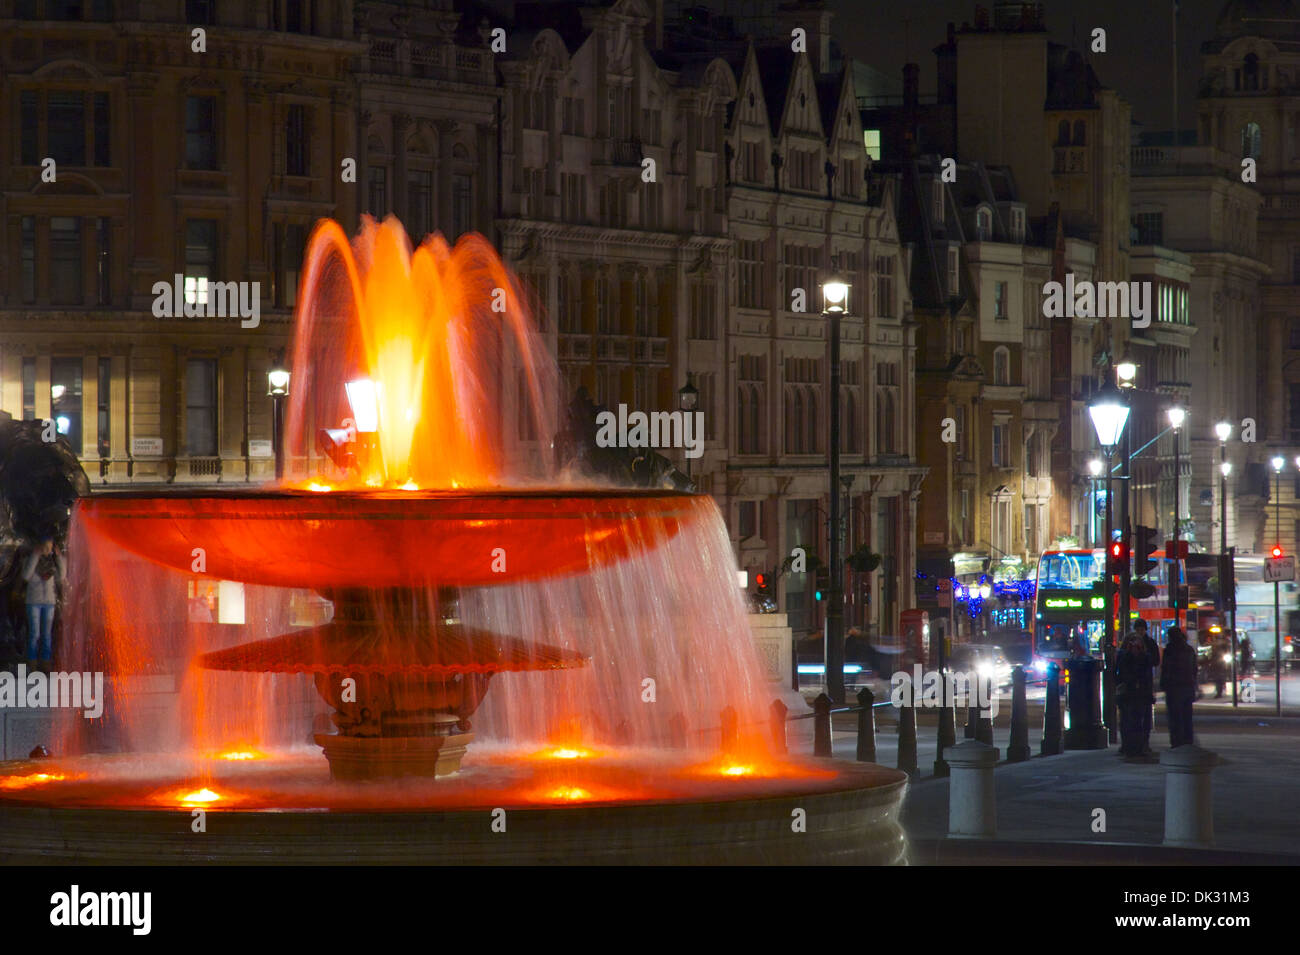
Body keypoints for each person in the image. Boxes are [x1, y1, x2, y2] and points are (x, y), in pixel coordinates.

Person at [21, 538, 64, 670]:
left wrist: (59, 558)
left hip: (49, 602)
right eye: (44, 548)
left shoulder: (52, 563)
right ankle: (32, 662)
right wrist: (35, 556)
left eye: (49, 548)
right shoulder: (30, 560)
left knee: (47, 634)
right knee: (35, 633)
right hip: (33, 601)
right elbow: (26, 575)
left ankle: (46, 661)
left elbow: (62, 576)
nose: (47, 551)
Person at [1115, 631, 1155, 757]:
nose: (1135, 648)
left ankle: (1138, 746)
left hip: (1141, 694)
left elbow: (1147, 676)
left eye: (1137, 646)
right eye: (1132, 645)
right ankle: (1129, 746)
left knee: (1139, 721)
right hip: (1129, 693)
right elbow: (1121, 675)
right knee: (1127, 721)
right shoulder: (1124, 657)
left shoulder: (1145, 658)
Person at [1159, 626, 1198, 748]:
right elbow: (1194, 669)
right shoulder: (1189, 650)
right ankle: (1187, 740)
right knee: (1187, 716)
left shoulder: (1170, 650)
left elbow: (1166, 669)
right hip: (1187, 687)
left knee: (1175, 716)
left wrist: (1164, 684)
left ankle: (1176, 741)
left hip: (1174, 688)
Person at [1133, 619, 1159, 754]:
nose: (1139, 632)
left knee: (1146, 714)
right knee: (1136, 715)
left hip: (1145, 682)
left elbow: (1156, 660)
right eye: (1137, 629)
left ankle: (1144, 742)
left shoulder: (1150, 643)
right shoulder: (1130, 643)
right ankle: (1137, 742)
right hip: (1134, 683)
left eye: (1141, 629)